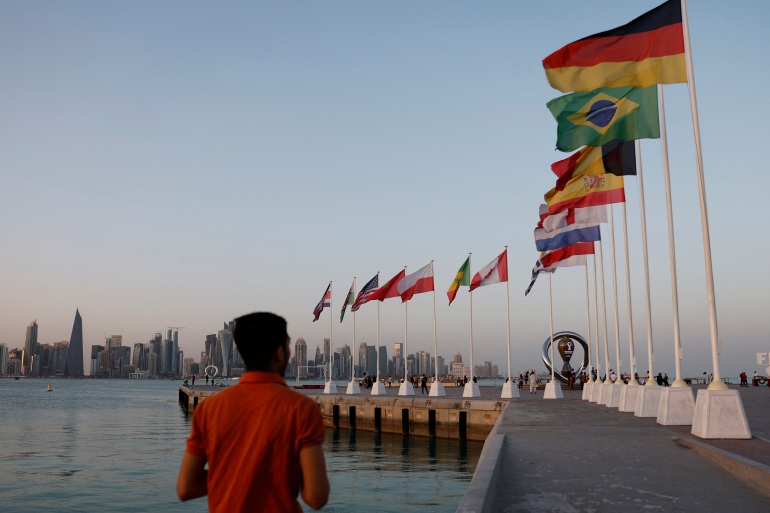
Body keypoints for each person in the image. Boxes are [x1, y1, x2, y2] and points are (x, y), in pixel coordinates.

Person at [177, 312, 329, 512]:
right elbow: (315, 497)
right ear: (280, 353)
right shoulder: (302, 409)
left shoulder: (209, 409)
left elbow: (186, 488)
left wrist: (234, 474)